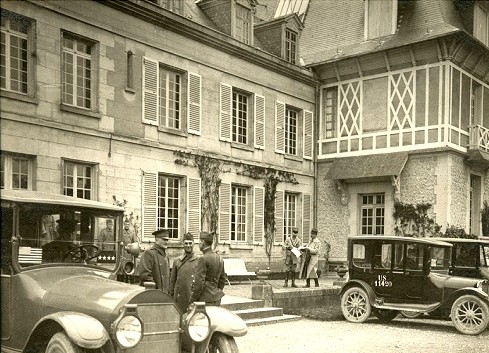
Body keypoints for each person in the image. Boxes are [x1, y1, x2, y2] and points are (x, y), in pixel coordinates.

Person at [189, 231, 227, 306]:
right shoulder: (219, 258)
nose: (198, 244)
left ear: (203, 242)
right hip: (216, 299)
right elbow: (222, 280)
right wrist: (215, 291)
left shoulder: (203, 259)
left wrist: (192, 299)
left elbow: (199, 283)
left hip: (204, 299)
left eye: (199, 241)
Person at [169, 232, 199, 313]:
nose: (188, 245)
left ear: (193, 244)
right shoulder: (177, 261)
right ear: (183, 244)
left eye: (190, 243)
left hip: (191, 297)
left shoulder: (199, 261)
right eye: (186, 243)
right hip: (179, 298)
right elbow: (172, 281)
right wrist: (171, 296)